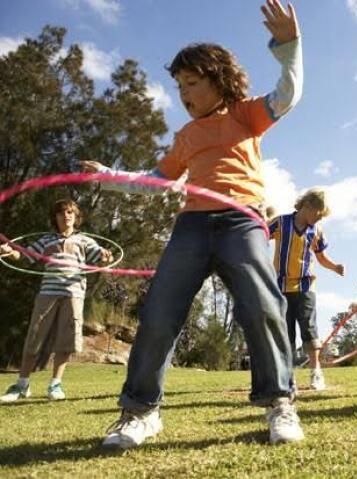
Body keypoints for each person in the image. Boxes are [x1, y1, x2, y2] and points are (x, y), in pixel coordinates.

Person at [81, 0, 304, 447]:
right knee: (160, 313)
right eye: (179, 85)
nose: (184, 93)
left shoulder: (244, 113)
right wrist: (110, 178)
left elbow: (288, 95)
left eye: (192, 82)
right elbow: (157, 181)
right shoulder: (185, 136)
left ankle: (280, 403)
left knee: (261, 305)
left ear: (218, 80)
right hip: (192, 226)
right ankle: (140, 412)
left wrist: (289, 47)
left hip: (242, 221)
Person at [0, 199, 113, 402]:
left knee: (65, 340)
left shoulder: (85, 240)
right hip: (47, 293)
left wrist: (106, 256)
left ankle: (55, 384)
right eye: (61, 213)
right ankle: (22, 384)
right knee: (34, 336)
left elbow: (102, 258)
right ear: (55, 218)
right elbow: (24, 255)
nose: (66, 216)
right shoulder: (46, 240)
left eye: (70, 212)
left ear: (76, 217)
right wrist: (10, 252)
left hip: (73, 294)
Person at [269, 188, 344, 391]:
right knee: (285, 331)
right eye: (318, 215)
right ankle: (286, 375)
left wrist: (335, 266)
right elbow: (259, 235)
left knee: (309, 329)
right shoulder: (281, 223)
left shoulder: (316, 231)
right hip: (280, 286)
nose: (318, 220)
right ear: (308, 206)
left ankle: (315, 372)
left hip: (305, 286)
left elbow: (321, 257)